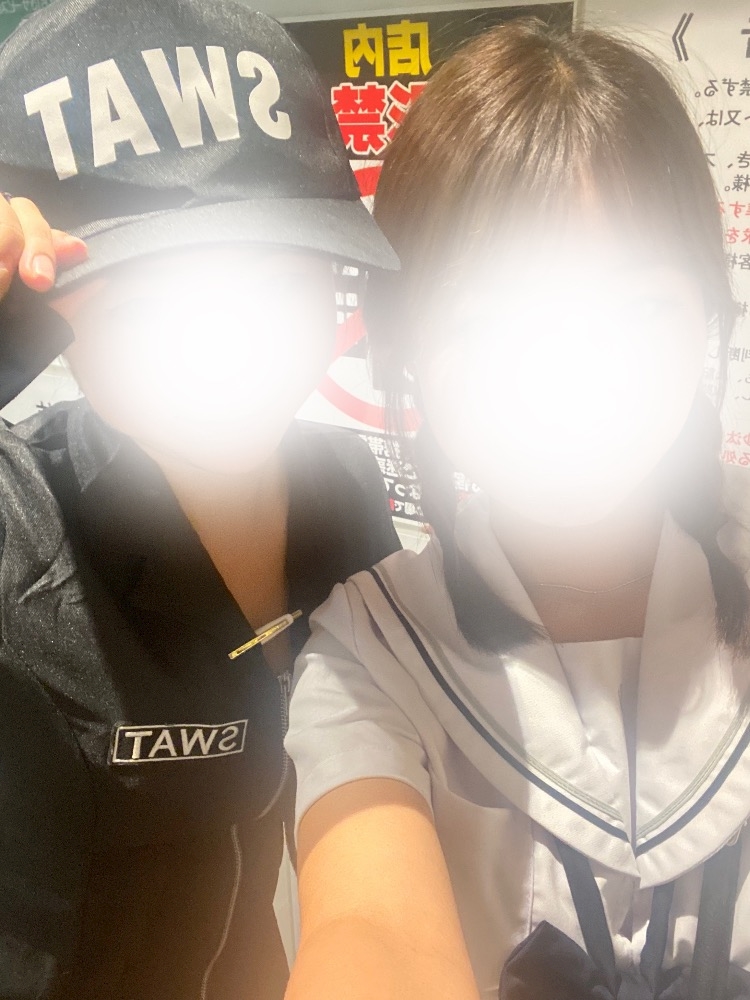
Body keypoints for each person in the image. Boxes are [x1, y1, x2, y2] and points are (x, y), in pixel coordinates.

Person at [285, 19, 750, 1000]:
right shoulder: (372, 647)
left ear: (706, 317)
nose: (571, 371)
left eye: (634, 311)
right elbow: (368, 932)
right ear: (408, 345)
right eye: (496, 319)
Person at [0, 0, 401, 998]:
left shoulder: (343, 493)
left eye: (275, 274)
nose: (226, 338)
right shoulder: (18, 524)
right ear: (46, 297)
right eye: (147, 294)